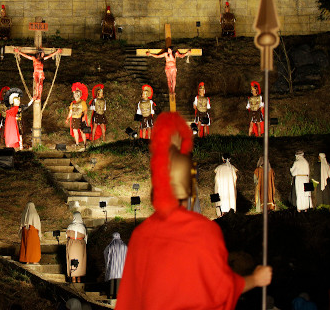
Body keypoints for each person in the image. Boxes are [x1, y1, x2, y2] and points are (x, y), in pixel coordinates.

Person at [115, 112, 272, 309]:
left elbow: (129, 300)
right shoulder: (206, 232)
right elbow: (222, 289)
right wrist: (256, 279)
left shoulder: (141, 236)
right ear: (189, 187)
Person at [104, 232, 128, 299]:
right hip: (121, 268)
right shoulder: (125, 246)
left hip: (113, 268)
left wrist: (107, 265)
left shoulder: (111, 246)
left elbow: (107, 254)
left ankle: (112, 295)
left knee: (112, 283)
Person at [66, 212, 87, 283]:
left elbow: (67, 236)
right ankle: (79, 279)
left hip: (72, 244)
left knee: (72, 259)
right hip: (80, 245)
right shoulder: (82, 227)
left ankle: (73, 278)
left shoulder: (70, 226)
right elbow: (85, 238)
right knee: (80, 261)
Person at [66, 83, 88, 148]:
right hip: (74, 118)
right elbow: (71, 112)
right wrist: (67, 118)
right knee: (75, 131)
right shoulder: (72, 103)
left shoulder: (82, 102)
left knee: (82, 131)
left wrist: (84, 116)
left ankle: (85, 143)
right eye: (74, 94)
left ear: (79, 95)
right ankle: (77, 143)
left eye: (76, 94)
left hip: (80, 118)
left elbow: (85, 110)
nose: (75, 95)